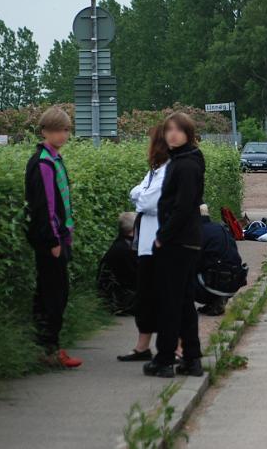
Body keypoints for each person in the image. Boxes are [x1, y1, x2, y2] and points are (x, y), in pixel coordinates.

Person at [143, 112, 205, 379]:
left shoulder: (185, 164)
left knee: (170, 303)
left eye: (178, 130)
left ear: (188, 134)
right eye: (168, 130)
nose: (172, 134)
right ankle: (192, 359)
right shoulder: (184, 160)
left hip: (178, 243)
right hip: (186, 241)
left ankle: (165, 359)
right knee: (183, 303)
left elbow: (183, 207)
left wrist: (162, 236)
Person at [24, 106, 82, 368]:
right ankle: (49, 348)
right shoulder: (43, 163)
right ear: (46, 131)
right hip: (51, 240)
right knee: (53, 294)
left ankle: (46, 345)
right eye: (59, 130)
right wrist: (53, 241)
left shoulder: (55, 159)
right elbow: (44, 206)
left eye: (66, 130)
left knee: (55, 291)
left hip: (60, 237)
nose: (64, 135)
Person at [117, 126, 169, 362]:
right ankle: (142, 347)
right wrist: (143, 194)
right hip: (146, 244)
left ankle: (173, 349)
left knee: (162, 297)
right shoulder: (154, 172)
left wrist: (143, 195)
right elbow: (135, 192)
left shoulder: (169, 170)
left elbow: (147, 202)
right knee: (146, 297)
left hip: (160, 243)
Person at [196, 205, 246, 316]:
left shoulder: (198, 232)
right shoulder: (220, 228)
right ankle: (215, 301)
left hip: (213, 282)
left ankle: (182, 310)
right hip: (234, 282)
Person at [97, 212, 139, 315]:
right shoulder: (129, 249)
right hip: (123, 300)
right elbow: (136, 277)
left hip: (111, 296)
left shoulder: (119, 244)